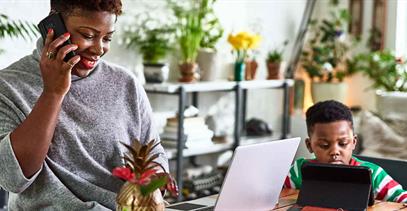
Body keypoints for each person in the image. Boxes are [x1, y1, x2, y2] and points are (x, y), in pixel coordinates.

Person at [0, 0, 169, 210]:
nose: (99, 49)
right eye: (88, 36)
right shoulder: (8, 85)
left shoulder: (125, 83)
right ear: (54, 26)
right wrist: (53, 92)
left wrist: (154, 181)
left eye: (107, 38)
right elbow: (11, 179)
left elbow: (153, 150)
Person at [284, 100, 407, 203]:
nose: (335, 151)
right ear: (309, 145)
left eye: (343, 144)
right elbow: (274, 192)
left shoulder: (374, 175)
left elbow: (403, 200)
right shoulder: (298, 171)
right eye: (324, 145)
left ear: (354, 142)